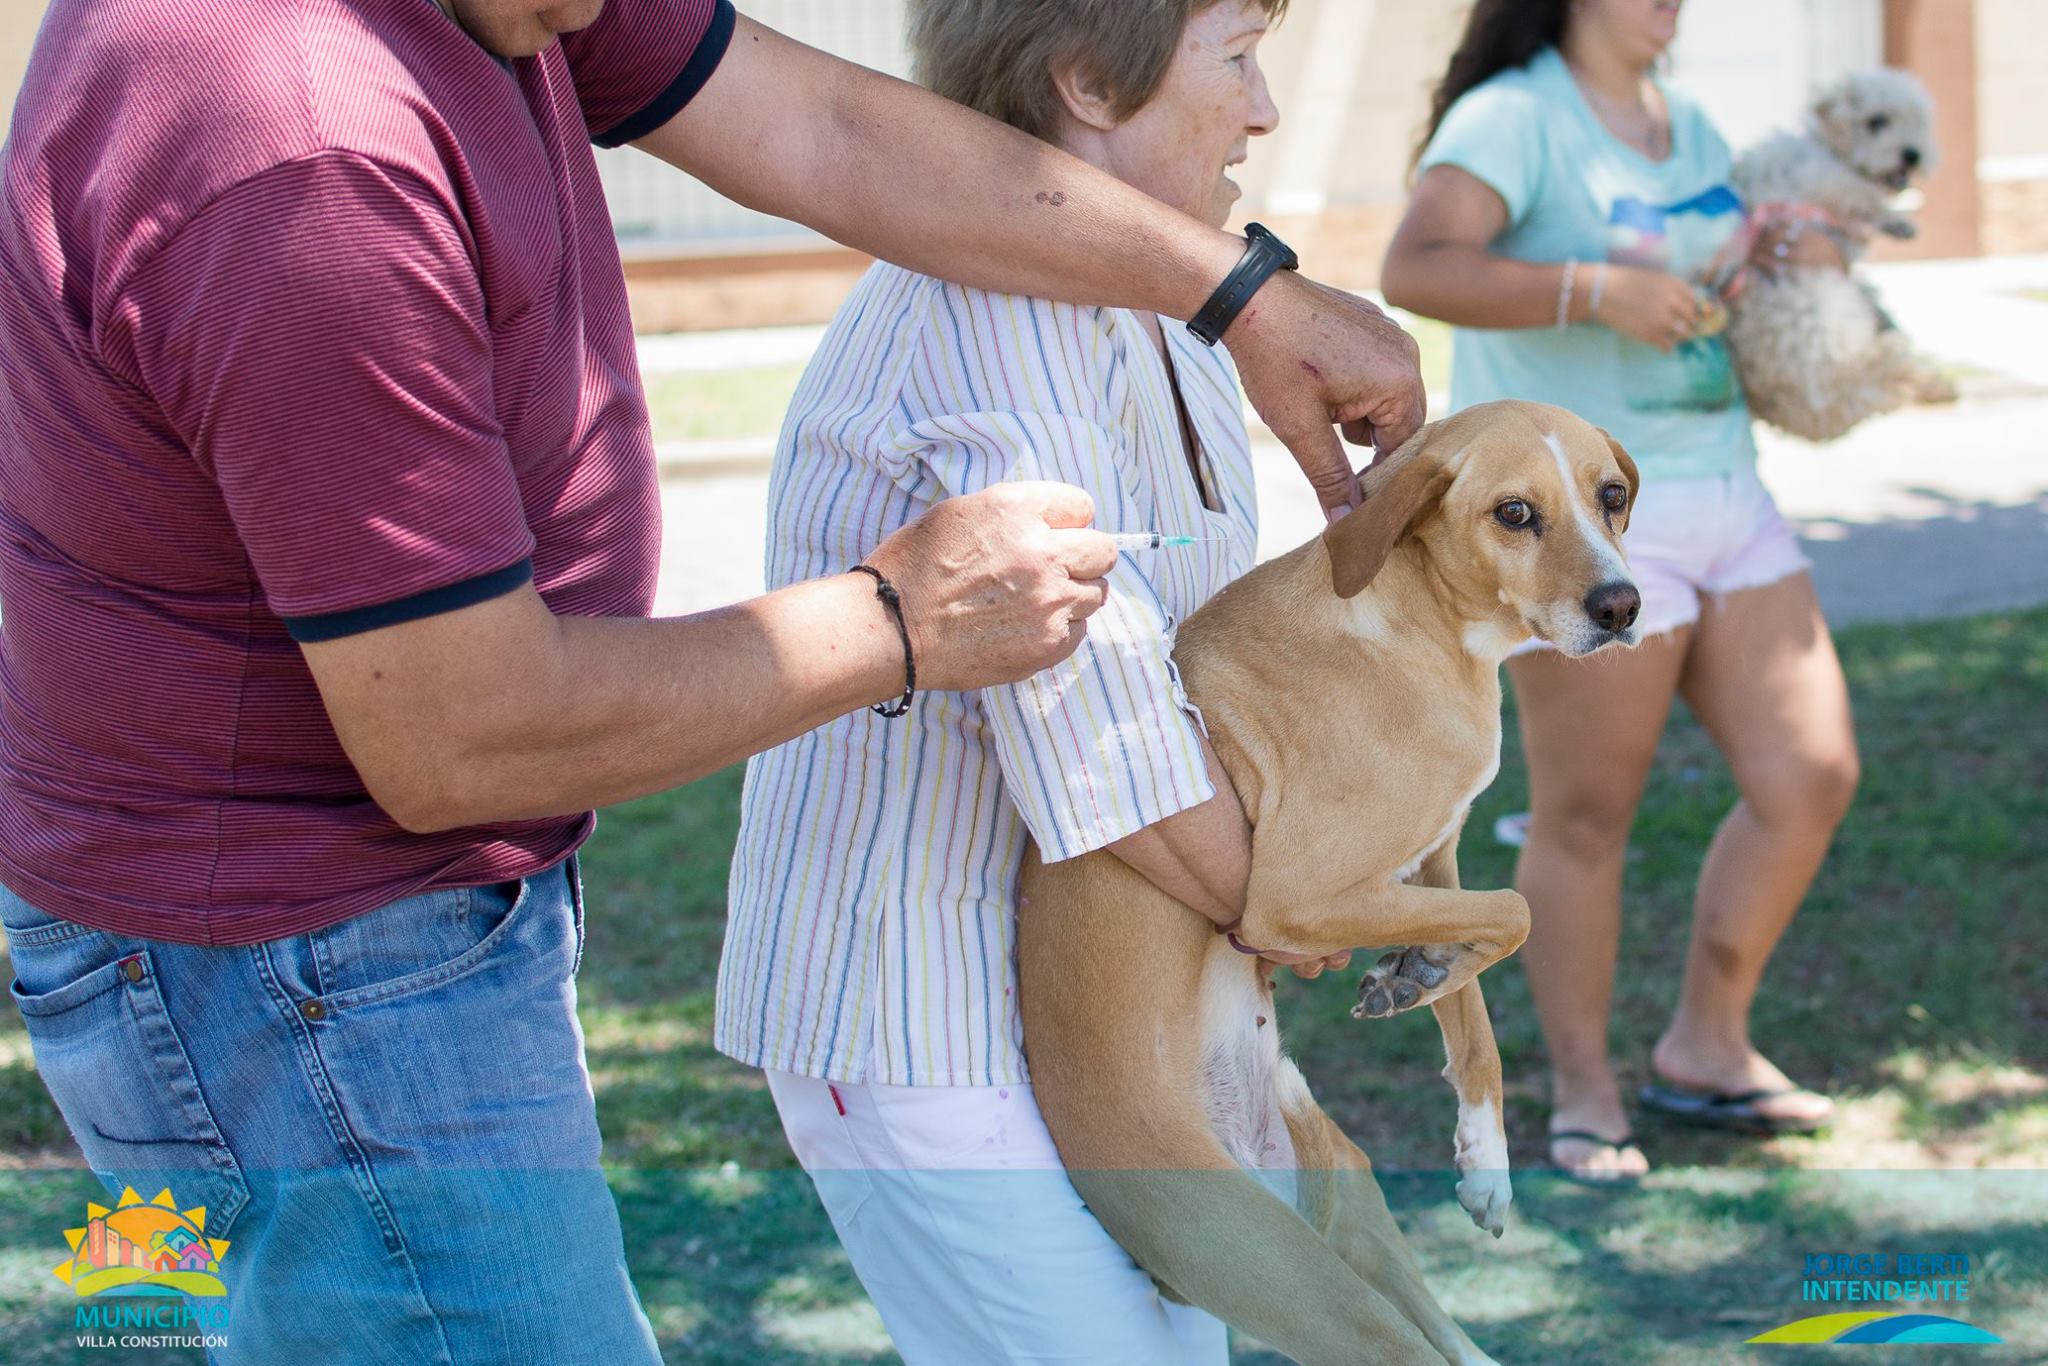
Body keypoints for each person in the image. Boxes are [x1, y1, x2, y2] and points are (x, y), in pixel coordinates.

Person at [0, 0, 1428, 1359]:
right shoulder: (298, 153)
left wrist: (1237, 291)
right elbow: (462, 733)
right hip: (291, 958)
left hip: (359, 926)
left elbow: (827, 131)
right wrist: (898, 617)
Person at [714, 1, 1355, 1359]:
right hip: (918, 1011)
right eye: (1236, 58)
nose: (1264, 110)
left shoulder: (1167, 309)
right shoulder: (991, 305)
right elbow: (1103, 744)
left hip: (1112, 1002)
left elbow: (1203, 668)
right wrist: (1301, 900)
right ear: (1087, 84)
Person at [1381, 0, 1855, 1184]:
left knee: (1809, 773)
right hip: (1575, 531)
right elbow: (1416, 266)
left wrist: (1781, 261)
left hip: (1722, 488)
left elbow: (1706, 278)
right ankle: (1583, 1093)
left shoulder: (1683, 120)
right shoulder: (1512, 116)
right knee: (1585, 816)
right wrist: (1590, 290)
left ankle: (1704, 1044)